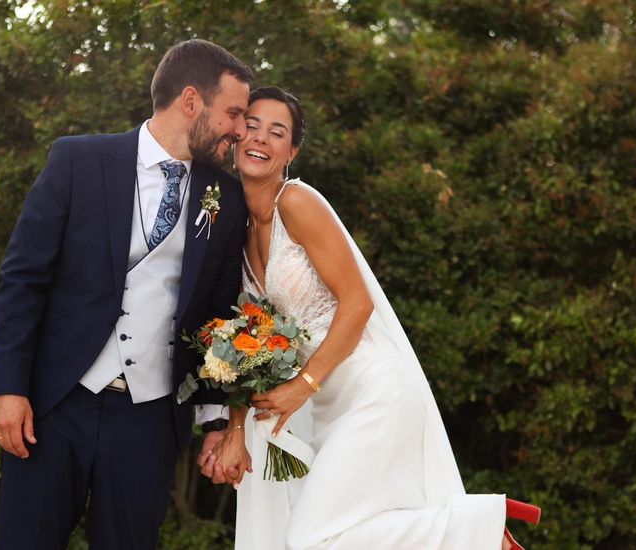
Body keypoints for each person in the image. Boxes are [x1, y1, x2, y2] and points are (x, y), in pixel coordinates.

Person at [199, 87, 542, 550]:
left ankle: (476, 529)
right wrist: (235, 430)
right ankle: (472, 532)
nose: (260, 138)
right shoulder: (233, 227)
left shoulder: (297, 203)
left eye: (276, 132)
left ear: (292, 151)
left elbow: (357, 305)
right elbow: (248, 345)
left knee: (311, 538)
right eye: (252, 126)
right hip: (323, 408)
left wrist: (303, 386)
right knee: (324, 535)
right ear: (237, 134)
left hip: (371, 390)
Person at [0, 39, 254, 549]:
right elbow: (23, 279)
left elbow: (218, 318)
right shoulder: (78, 161)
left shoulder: (227, 199)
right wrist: (8, 387)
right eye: (234, 113)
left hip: (149, 421)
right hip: (54, 406)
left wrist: (216, 416)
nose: (240, 130)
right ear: (192, 102)